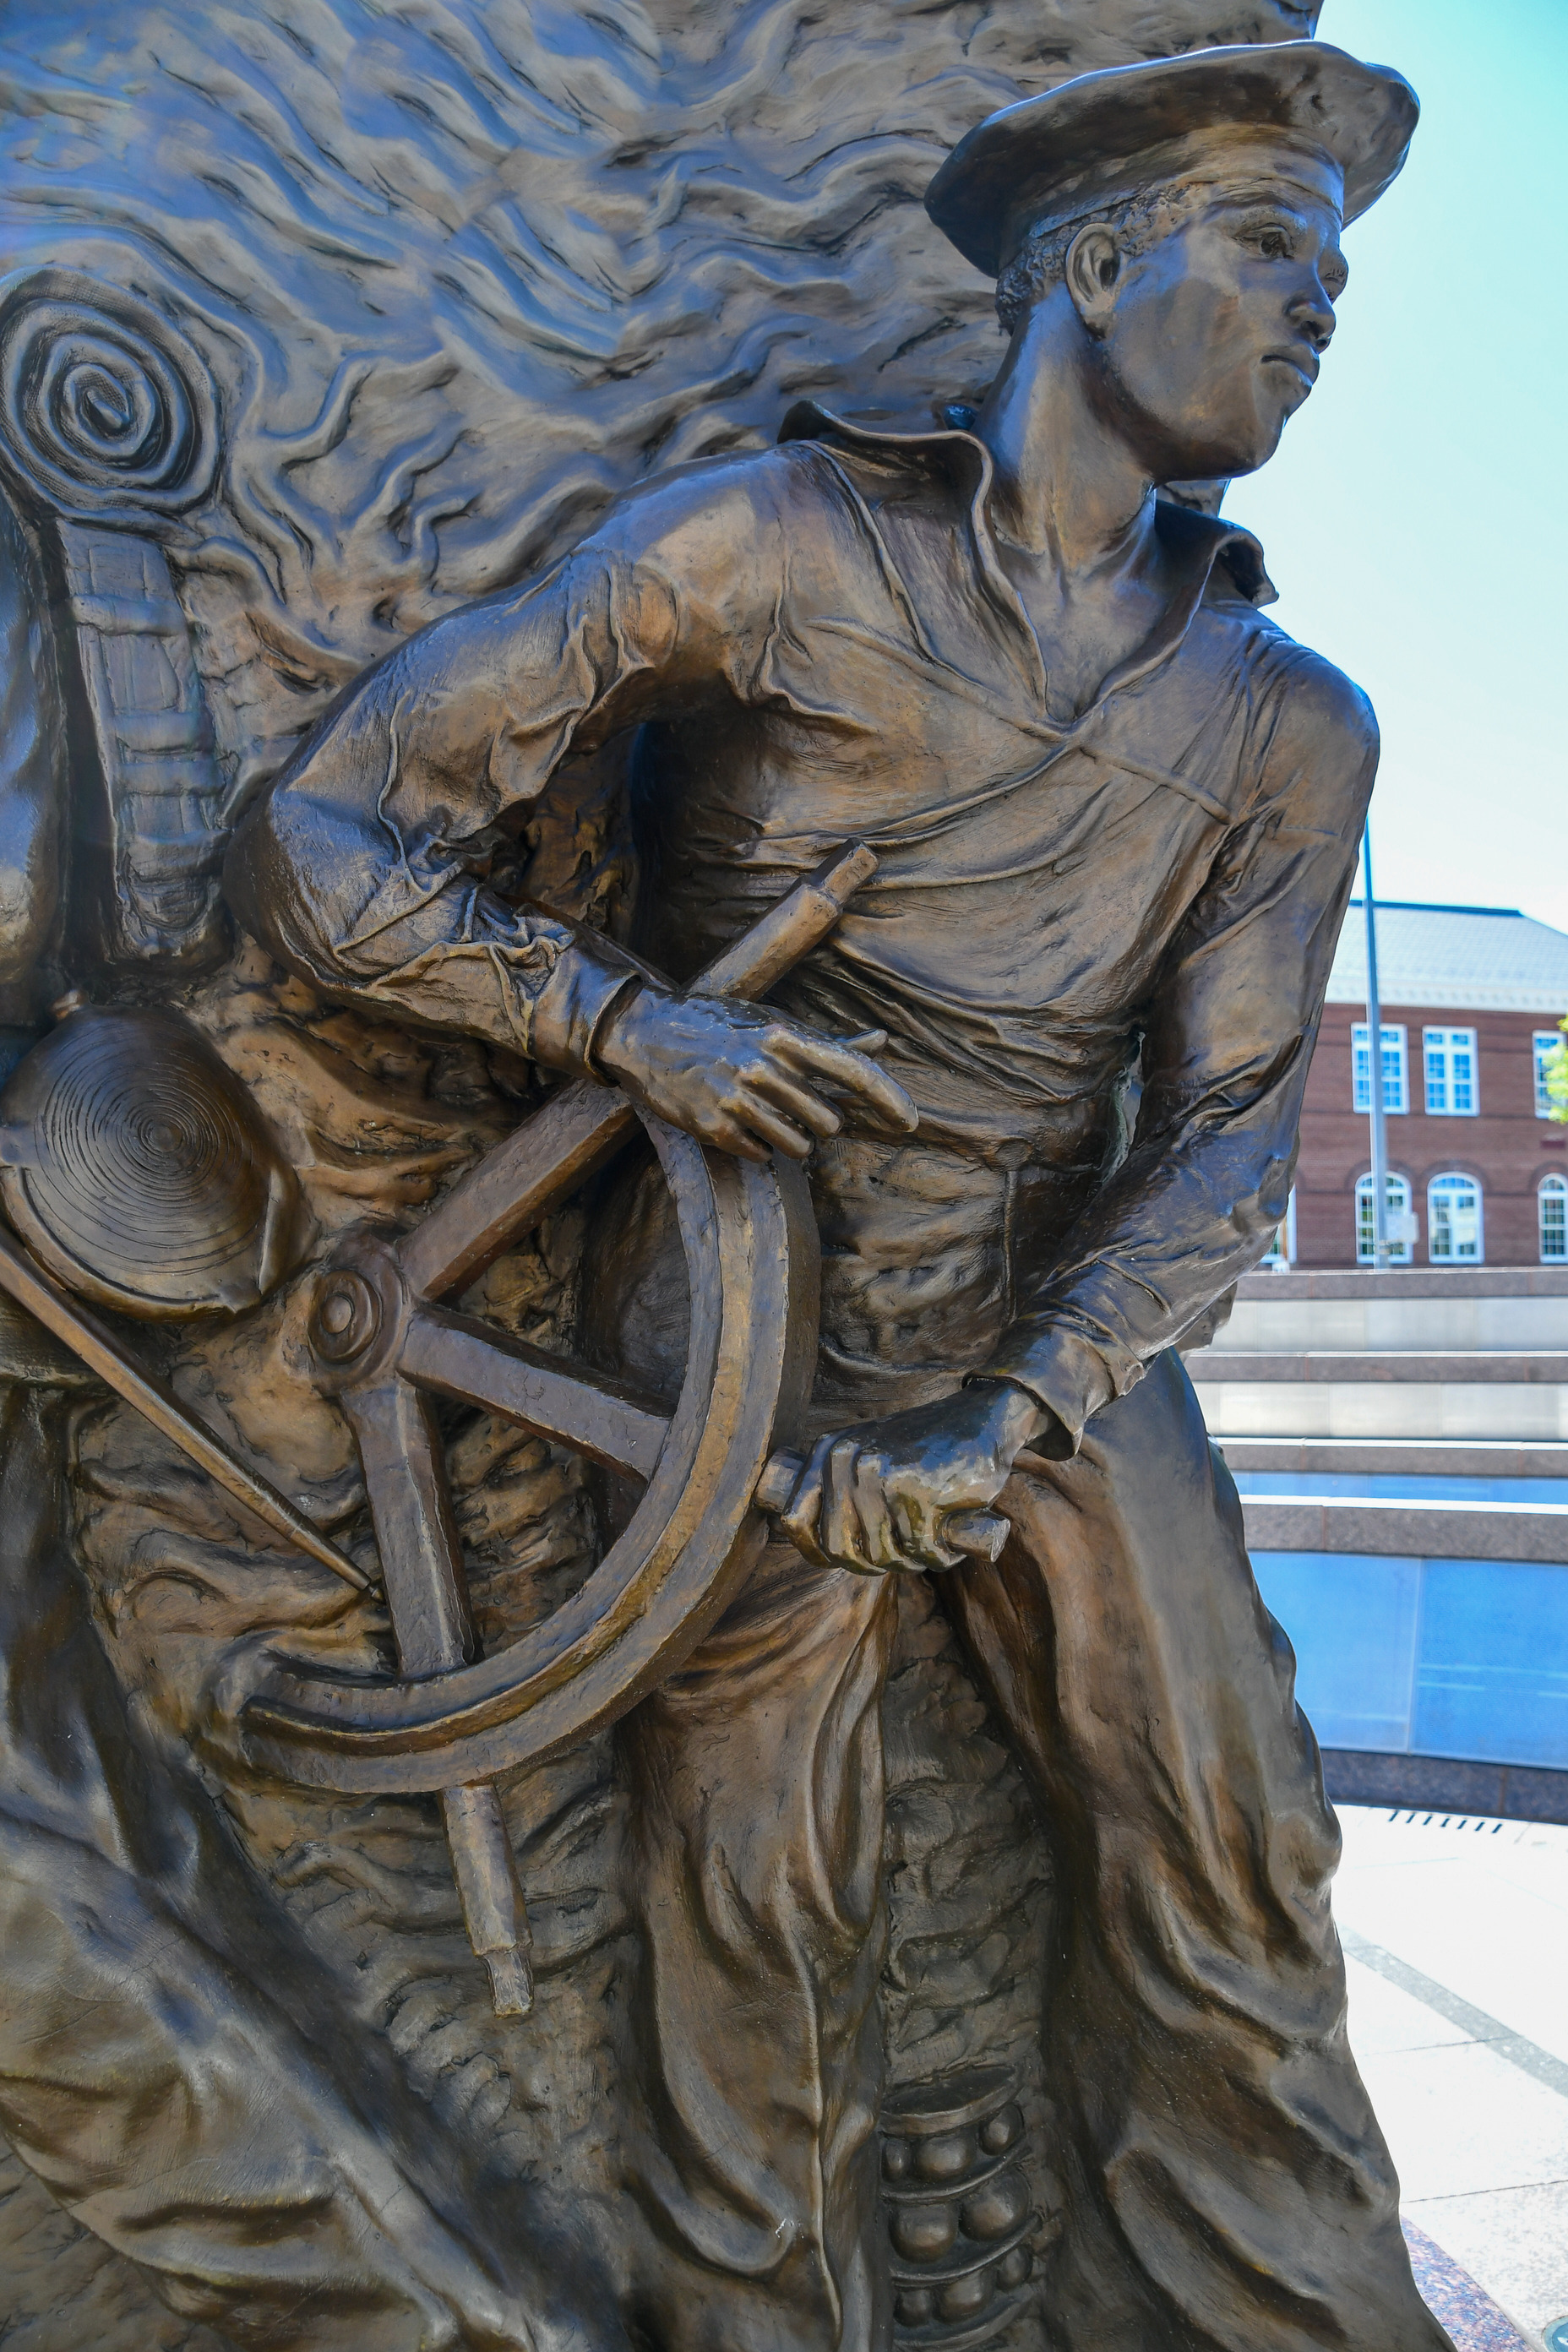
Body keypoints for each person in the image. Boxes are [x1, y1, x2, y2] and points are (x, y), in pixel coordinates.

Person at [229, 40, 1451, 2352]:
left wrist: (1020, 1410)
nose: (1322, 313)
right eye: (1273, 251)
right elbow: (323, 838)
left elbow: (1219, 1137)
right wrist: (623, 1025)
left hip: (1058, 1328)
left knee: (1236, 1849)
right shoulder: (769, 551)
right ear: (1091, 266)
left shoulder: (1293, 723)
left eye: (1345, 276)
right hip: (738, 1317)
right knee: (752, 1917)